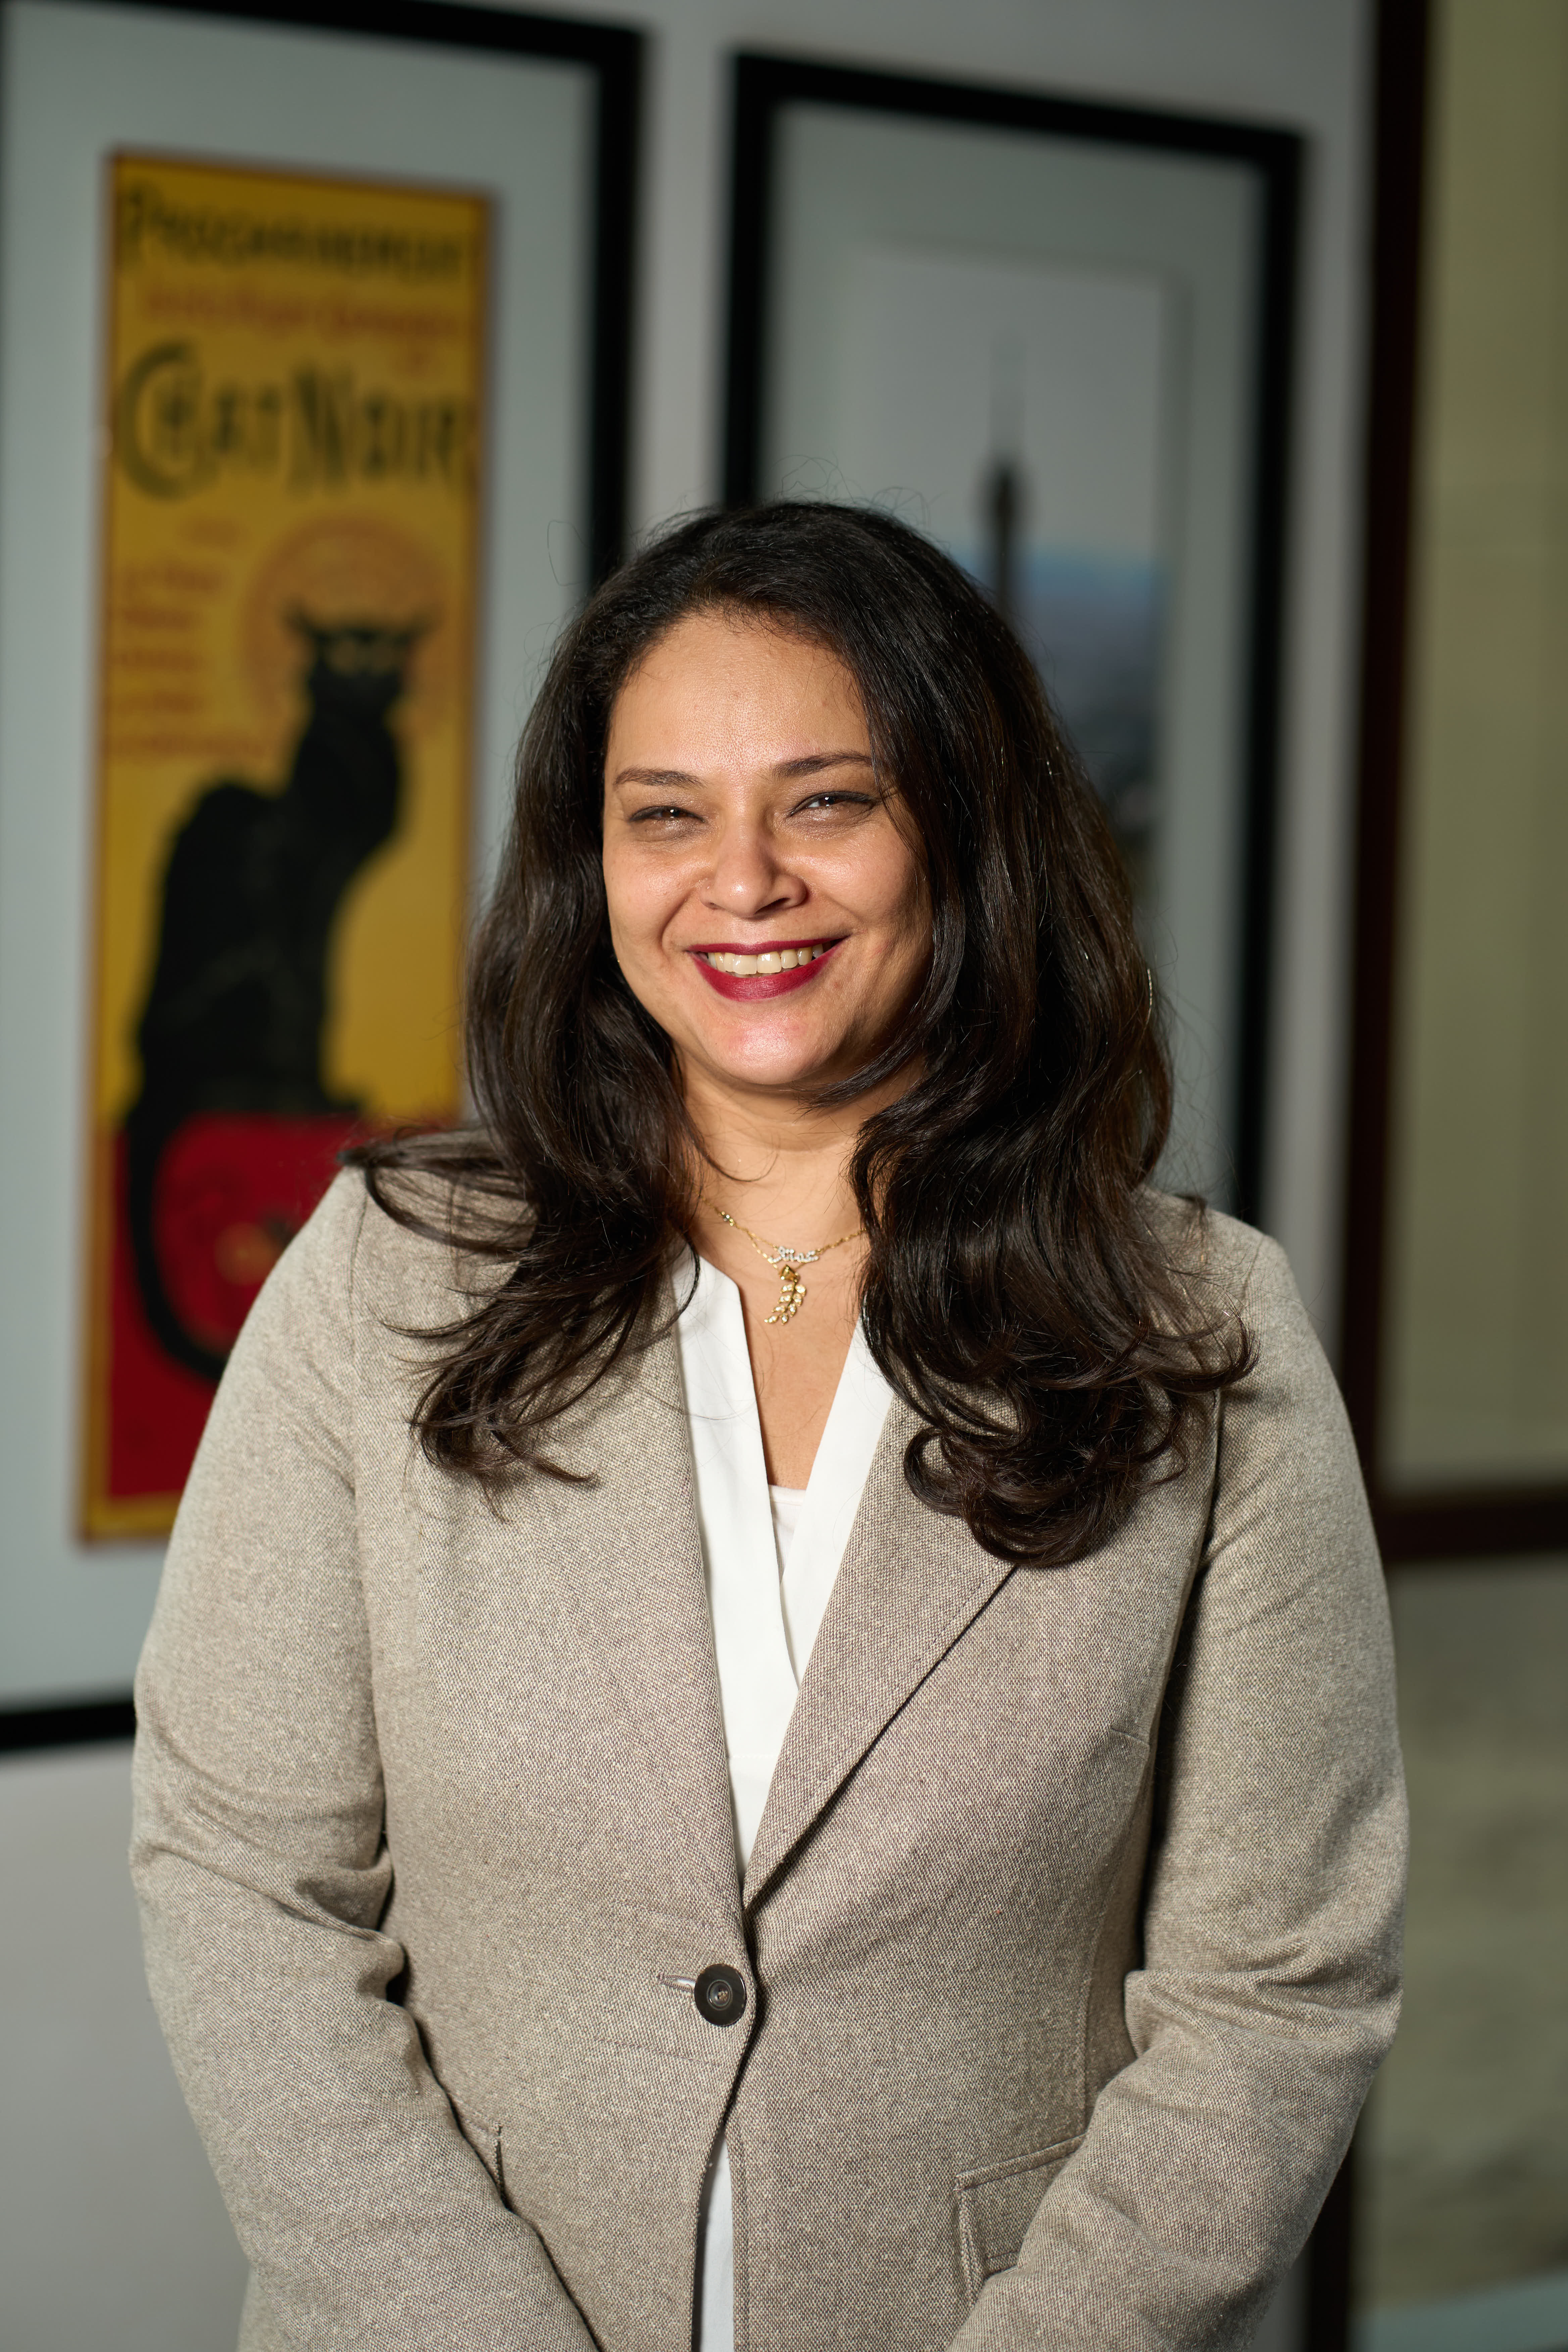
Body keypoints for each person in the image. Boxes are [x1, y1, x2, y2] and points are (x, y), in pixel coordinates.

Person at [131, 501, 1406, 2352]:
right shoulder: (382, 1284)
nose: (742, 881)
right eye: (667, 815)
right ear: (592, 863)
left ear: (964, 834)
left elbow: (1280, 1990)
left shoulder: (1201, 1333)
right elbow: (246, 1883)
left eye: (827, 803)